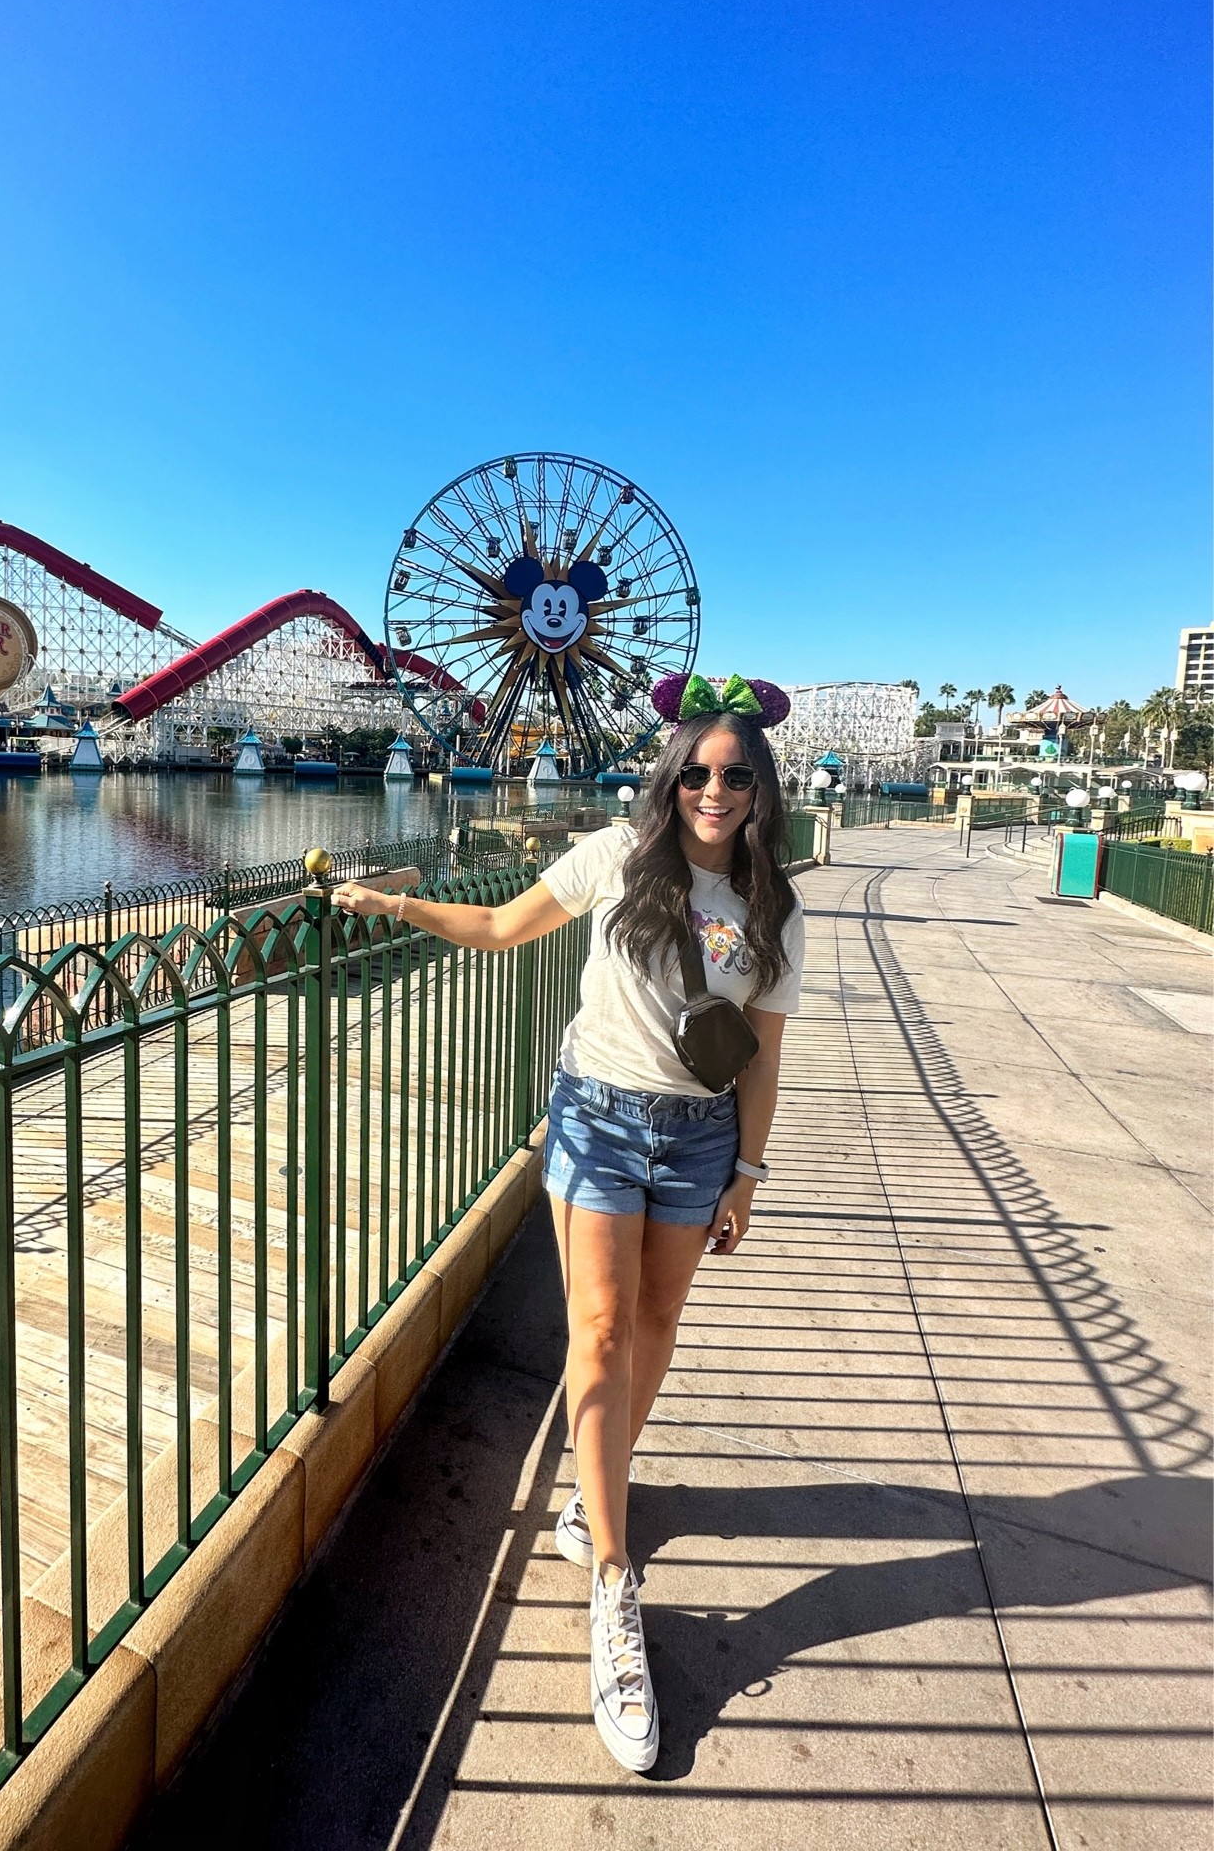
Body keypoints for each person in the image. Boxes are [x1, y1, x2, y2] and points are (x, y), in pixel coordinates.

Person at [335, 671, 804, 1775]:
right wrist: (394, 906)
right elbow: (502, 925)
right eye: (696, 769)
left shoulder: (774, 906)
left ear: (760, 784)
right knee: (595, 1332)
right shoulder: (614, 856)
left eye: (735, 773)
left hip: (698, 1137)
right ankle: (613, 1586)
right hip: (596, 1115)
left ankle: (594, 1504)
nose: (714, 788)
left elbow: (767, 1051)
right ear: (670, 772)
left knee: (653, 1322)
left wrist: (748, 1169)